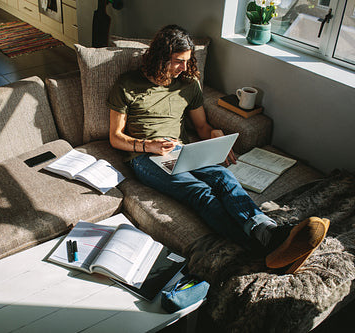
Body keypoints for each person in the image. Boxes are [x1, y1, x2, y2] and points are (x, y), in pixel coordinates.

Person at [107, 24, 329, 273]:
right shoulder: (127, 84)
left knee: (224, 177)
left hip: (182, 150)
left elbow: (201, 126)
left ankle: (270, 233)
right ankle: (265, 250)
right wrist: (149, 145)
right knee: (200, 192)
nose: (183, 68)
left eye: (186, 61)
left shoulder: (188, 84)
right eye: (178, 61)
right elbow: (115, 137)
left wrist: (215, 135)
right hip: (144, 157)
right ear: (160, 57)